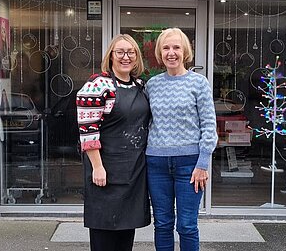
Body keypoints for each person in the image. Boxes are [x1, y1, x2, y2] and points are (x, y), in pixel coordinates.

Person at [76, 34, 151, 251]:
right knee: (104, 237)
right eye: (120, 52)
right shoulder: (98, 85)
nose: (126, 57)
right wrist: (97, 167)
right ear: (111, 56)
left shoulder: (140, 85)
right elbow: (88, 130)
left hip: (134, 172)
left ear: (136, 57)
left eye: (131, 52)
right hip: (105, 170)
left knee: (126, 237)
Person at [145, 28, 218, 251]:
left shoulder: (199, 83)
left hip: (190, 165)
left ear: (185, 51)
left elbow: (209, 125)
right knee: (163, 224)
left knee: (187, 225)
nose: (171, 52)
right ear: (160, 53)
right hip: (156, 165)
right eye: (166, 48)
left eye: (176, 47)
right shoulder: (152, 85)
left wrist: (203, 163)